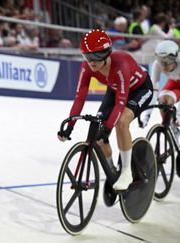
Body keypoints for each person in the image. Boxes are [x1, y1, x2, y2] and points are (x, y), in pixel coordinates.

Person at [58, 29, 153, 191]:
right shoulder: (87, 67)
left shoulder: (120, 63)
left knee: (121, 122)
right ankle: (112, 172)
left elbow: (120, 104)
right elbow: (79, 98)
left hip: (140, 89)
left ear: (107, 54)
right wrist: (70, 126)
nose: (91, 62)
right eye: (87, 56)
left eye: (95, 57)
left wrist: (108, 127)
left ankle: (126, 171)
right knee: (99, 134)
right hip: (115, 88)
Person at [141, 40, 180, 184]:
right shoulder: (158, 65)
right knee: (163, 101)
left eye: (167, 61)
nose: (163, 65)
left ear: (176, 57)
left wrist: (179, 114)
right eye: (160, 61)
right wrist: (146, 115)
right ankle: (173, 129)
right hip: (175, 83)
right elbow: (154, 92)